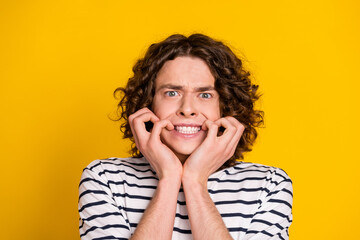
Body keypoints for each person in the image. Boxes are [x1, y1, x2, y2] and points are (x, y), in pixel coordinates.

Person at [78, 34, 293, 240]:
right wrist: (169, 178)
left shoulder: (269, 185)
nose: (187, 109)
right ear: (148, 103)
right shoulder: (105, 179)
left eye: (205, 95)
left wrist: (195, 181)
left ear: (226, 107)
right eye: (172, 93)